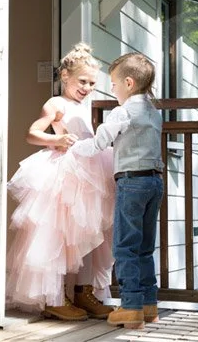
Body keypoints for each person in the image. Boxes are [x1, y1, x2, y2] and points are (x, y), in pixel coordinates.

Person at [6, 43, 115, 320]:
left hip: (90, 175)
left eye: (92, 83)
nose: (87, 87)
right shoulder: (56, 103)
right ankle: (54, 296)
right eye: (82, 81)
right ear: (65, 76)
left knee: (91, 233)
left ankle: (84, 291)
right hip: (65, 175)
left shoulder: (84, 104)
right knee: (58, 235)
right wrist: (56, 140)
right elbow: (32, 133)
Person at [71, 51, 165, 329]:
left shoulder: (123, 112)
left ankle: (131, 307)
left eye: (112, 84)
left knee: (125, 245)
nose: (110, 89)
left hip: (132, 182)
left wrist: (72, 146)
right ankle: (149, 304)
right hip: (154, 182)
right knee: (145, 247)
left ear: (128, 83)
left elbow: (99, 144)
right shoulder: (152, 111)